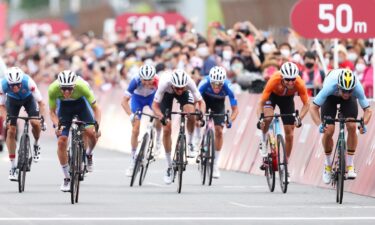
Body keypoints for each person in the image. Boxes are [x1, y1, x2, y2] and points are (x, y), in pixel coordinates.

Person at [310, 69, 372, 184]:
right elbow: (313, 108)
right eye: (344, 91)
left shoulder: (357, 87)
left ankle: (349, 165)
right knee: (329, 131)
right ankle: (327, 165)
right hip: (330, 98)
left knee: (352, 125)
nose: (347, 94)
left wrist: (364, 123)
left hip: (348, 102)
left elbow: (368, 110)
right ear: (339, 86)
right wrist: (319, 124)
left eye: (349, 91)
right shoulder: (329, 86)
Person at [48, 70, 101, 192]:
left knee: (91, 133)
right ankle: (67, 178)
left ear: (74, 86)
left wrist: (97, 126)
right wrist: (57, 126)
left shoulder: (82, 86)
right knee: (61, 141)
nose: (66, 92)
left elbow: (96, 109)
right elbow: (52, 112)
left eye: (69, 89)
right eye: (64, 89)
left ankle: (88, 154)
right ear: (59, 86)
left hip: (81, 105)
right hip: (64, 109)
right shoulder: (53, 89)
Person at [152, 69, 206, 184]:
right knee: (167, 128)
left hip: (186, 96)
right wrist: (161, 116)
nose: (180, 90)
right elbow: (155, 106)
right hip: (167, 95)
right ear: (172, 85)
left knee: (191, 114)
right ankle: (169, 166)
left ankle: (190, 143)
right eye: (177, 88)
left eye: (182, 88)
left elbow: (202, 102)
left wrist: (201, 114)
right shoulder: (164, 83)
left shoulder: (189, 82)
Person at [256, 62, 310, 176]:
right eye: (287, 79)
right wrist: (260, 118)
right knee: (268, 117)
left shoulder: (299, 83)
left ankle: (285, 165)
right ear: (282, 77)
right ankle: (264, 139)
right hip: (273, 97)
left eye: (293, 79)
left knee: (290, 133)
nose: (290, 82)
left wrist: (299, 118)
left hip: (287, 100)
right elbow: (261, 102)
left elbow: (307, 104)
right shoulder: (274, 80)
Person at [0, 67, 46, 181]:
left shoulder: (28, 82)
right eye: (12, 85)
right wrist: (6, 118)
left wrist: (42, 119)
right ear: (9, 83)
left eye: (18, 84)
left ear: (21, 82)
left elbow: (41, 102)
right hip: (12, 101)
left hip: (28, 99)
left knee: (35, 123)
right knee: (11, 130)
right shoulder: (3, 84)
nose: (15, 87)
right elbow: (1, 105)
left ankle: (36, 143)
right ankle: (13, 167)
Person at [196, 66, 238, 178]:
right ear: (210, 80)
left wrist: (230, 120)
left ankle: (215, 164)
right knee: (197, 117)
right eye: (214, 83)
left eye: (219, 84)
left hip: (219, 104)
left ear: (223, 81)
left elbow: (235, 110)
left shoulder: (229, 86)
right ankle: (196, 138)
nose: (216, 87)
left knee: (219, 131)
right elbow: (196, 101)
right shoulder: (204, 82)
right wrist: (198, 114)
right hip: (204, 100)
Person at [121, 65, 162, 177]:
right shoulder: (135, 80)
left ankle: (158, 139)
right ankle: (133, 161)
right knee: (135, 129)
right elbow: (124, 101)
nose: (147, 83)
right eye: (144, 80)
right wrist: (131, 115)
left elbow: (161, 100)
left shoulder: (158, 81)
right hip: (137, 100)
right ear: (140, 77)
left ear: (154, 78)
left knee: (158, 116)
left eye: (150, 80)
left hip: (151, 99)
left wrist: (159, 113)